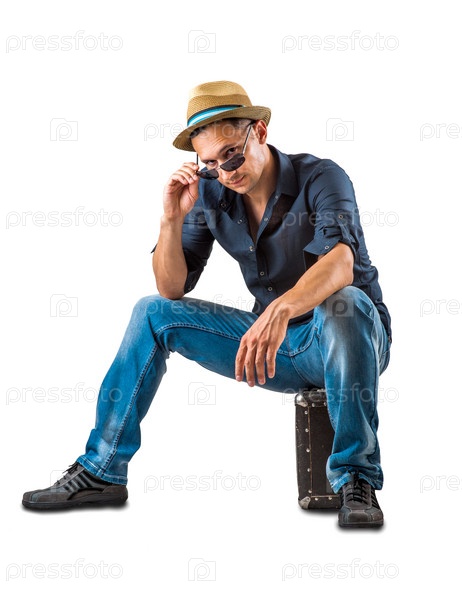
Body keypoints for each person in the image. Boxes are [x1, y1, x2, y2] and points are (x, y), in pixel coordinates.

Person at [22, 81, 391, 528]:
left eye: (231, 155)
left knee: (344, 304)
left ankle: (356, 479)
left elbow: (341, 263)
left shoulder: (322, 177)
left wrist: (280, 309)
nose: (225, 172)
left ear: (260, 131)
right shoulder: (213, 193)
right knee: (151, 312)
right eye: (210, 164)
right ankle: (102, 471)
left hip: (350, 341)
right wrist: (171, 219)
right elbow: (171, 288)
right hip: (272, 347)